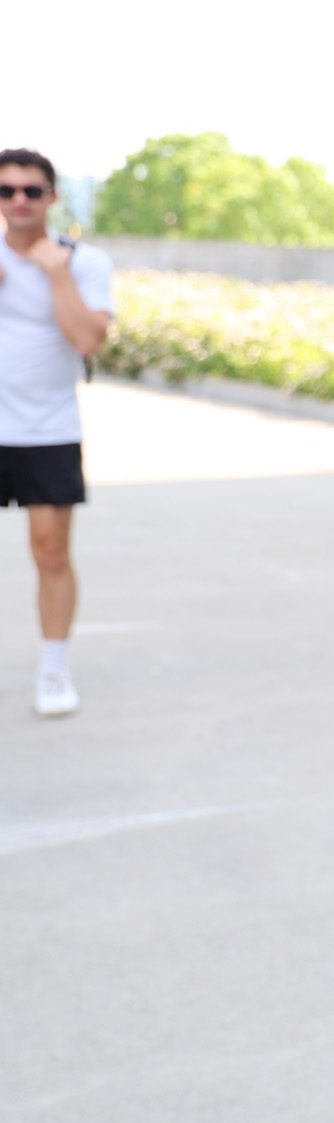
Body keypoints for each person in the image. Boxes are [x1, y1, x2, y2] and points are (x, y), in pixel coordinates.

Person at [0, 148, 112, 718]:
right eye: (7, 191)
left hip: (47, 430)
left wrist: (56, 273)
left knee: (50, 551)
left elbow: (88, 340)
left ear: (51, 197)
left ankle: (52, 670)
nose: (19, 201)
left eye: (31, 190)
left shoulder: (82, 261)